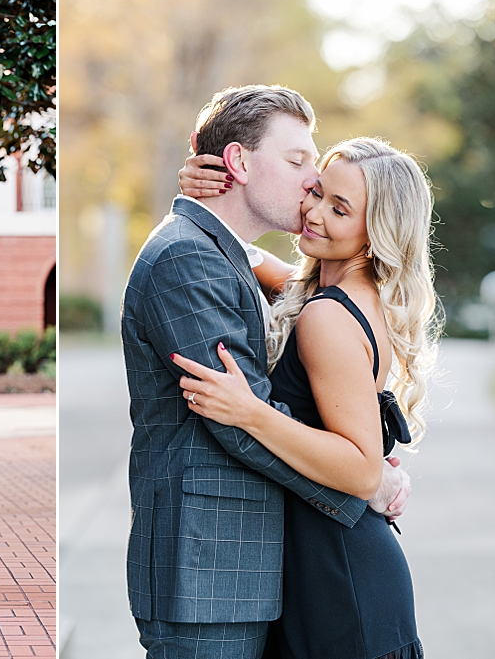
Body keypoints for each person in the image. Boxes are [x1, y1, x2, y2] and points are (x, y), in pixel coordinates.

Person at [120, 85, 409, 658]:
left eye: (334, 199)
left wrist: (365, 470)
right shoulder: (189, 256)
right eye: (299, 162)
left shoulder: (234, 260)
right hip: (207, 572)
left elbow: (255, 396)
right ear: (238, 163)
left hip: (253, 571)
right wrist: (368, 481)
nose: (310, 185)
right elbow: (235, 422)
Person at [173, 137, 438, 658]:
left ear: (375, 233)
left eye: (339, 209)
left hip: (340, 585)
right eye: (316, 191)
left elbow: (362, 471)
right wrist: (203, 195)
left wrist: (250, 413)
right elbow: (248, 258)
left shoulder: (328, 317)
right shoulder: (326, 295)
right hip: (330, 571)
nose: (314, 212)